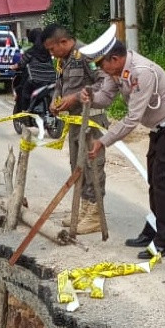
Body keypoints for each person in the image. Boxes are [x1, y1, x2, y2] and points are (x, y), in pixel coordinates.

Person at [80, 26, 165, 259]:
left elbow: (132, 119)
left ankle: (164, 242)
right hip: (159, 128)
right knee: (155, 180)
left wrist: (103, 141)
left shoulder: (142, 72)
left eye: (101, 65)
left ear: (116, 58)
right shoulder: (117, 72)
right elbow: (105, 98)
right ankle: (152, 230)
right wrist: (90, 95)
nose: (100, 70)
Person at [41, 23, 107, 235]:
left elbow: (104, 83)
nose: (51, 54)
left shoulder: (87, 54)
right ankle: (83, 209)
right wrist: (55, 101)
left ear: (63, 42)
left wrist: (77, 97)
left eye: (52, 49)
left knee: (92, 166)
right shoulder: (62, 60)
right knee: (77, 167)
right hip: (74, 122)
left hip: (91, 122)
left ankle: (95, 215)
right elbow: (60, 86)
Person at [12, 28, 54, 114]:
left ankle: (25, 112)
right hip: (51, 80)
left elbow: (21, 64)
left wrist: (12, 67)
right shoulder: (49, 51)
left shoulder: (31, 52)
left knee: (22, 90)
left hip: (34, 80)